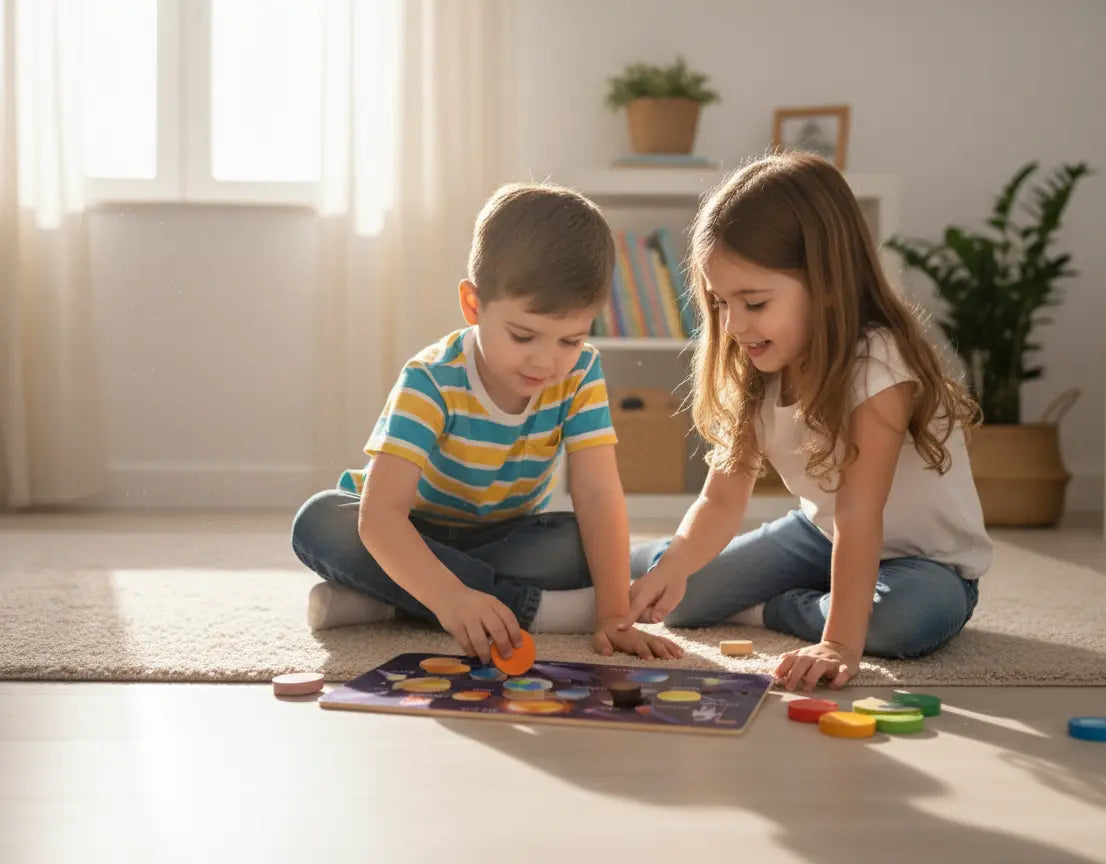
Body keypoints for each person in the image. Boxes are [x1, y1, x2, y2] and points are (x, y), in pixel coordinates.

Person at [623, 152, 991, 690]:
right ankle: (622, 556)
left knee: (898, 623)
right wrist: (673, 567)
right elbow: (721, 500)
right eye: (720, 302)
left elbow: (860, 512)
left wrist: (839, 643)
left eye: (754, 303)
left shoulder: (878, 362)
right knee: (681, 597)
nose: (733, 325)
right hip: (819, 535)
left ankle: (779, 610)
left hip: (926, 563)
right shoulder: (758, 366)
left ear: (827, 284)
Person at [292, 182, 681, 665]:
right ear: (473, 305)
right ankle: (535, 611)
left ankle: (389, 601)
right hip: (413, 531)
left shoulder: (581, 374)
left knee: (582, 543)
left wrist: (613, 615)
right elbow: (380, 517)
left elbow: (598, 495)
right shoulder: (431, 379)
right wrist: (451, 598)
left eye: (570, 340)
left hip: (507, 538)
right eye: (523, 336)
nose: (546, 362)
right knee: (320, 522)